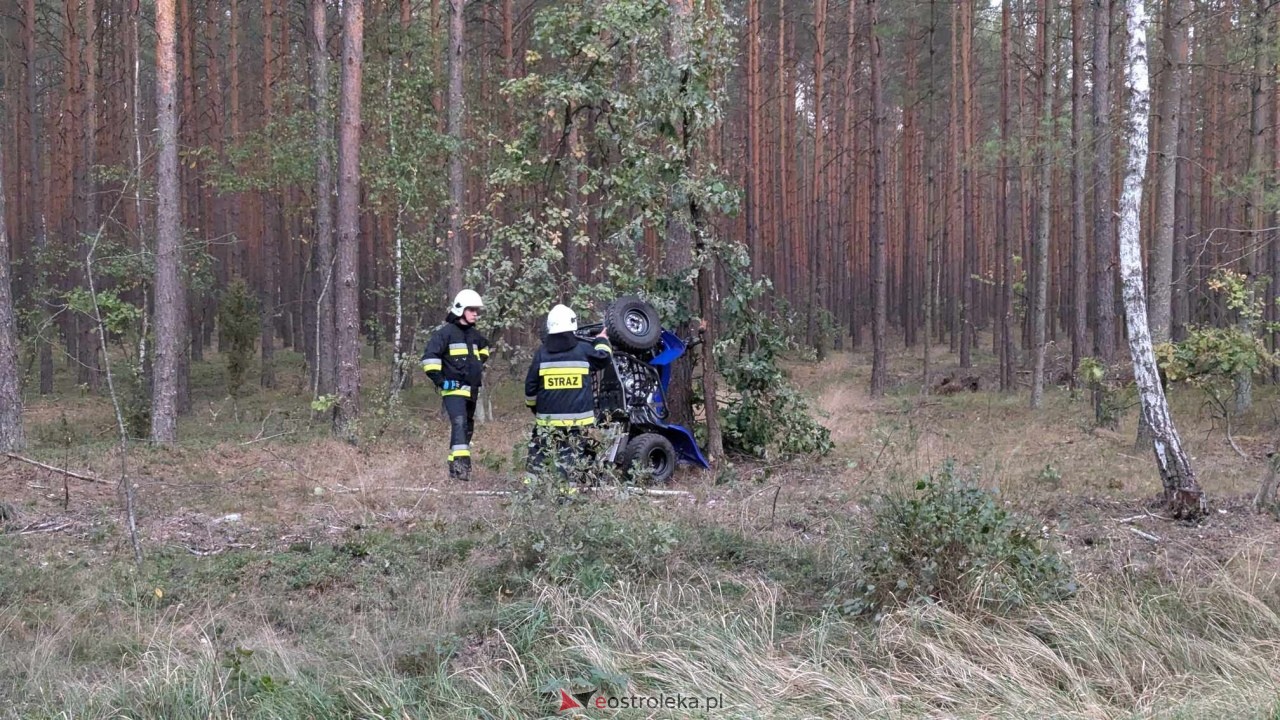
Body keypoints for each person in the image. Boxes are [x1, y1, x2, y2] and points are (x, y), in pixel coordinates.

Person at [524, 304, 612, 482]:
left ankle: (532, 492)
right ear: (573, 326)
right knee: (569, 457)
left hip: (546, 421)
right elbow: (604, 357)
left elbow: (530, 388)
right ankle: (565, 496)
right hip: (577, 422)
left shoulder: (541, 354)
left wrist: (535, 409)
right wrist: (601, 340)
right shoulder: (583, 350)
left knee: (538, 455)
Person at [421, 289, 490, 481]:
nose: (476, 313)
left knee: (467, 427)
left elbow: (485, 348)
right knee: (459, 423)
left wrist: (478, 363)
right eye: (472, 310)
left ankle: (455, 467)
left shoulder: (475, 335)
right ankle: (461, 471)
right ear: (461, 310)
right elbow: (429, 359)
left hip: (472, 390)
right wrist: (442, 381)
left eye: (477, 310)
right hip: (453, 389)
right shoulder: (445, 334)